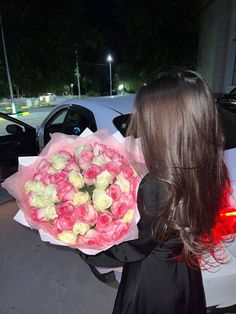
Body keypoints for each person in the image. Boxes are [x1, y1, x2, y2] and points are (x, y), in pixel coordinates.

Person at [78, 70, 230, 314]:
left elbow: (126, 250)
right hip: (184, 274)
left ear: (164, 126)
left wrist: (79, 233)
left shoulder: (159, 184)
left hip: (153, 285)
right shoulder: (207, 164)